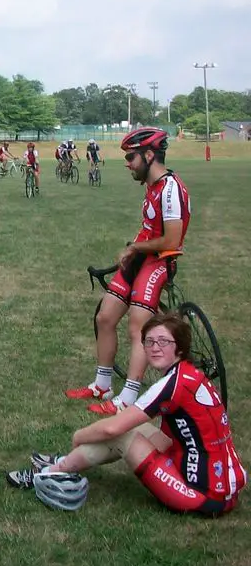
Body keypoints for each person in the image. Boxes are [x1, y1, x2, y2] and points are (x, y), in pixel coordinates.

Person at [8, 312, 245, 516]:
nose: (155, 347)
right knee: (136, 429)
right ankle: (65, 464)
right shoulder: (190, 374)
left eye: (163, 341)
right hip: (221, 484)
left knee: (122, 435)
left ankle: (49, 474)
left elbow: (113, 428)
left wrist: (80, 436)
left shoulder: (172, 384)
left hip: (203, 495)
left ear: (180, 348)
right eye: (149, 341)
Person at [66, 128, 191, 415]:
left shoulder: (170, 188)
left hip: (159, 261)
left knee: (138, 327)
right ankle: (102, 384)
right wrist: (135, 249)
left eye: (131, 157)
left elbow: (172, 240)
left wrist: (135, 247)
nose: (127, 163)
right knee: (105, 316)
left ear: (149, 155)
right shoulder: (152, 185)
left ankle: (128, 399)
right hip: (141, 258)